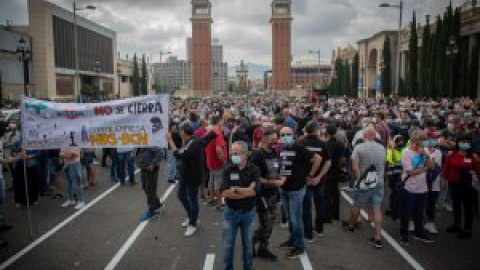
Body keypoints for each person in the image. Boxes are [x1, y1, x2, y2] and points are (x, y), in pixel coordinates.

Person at [278, 127, 322, 259]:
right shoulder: (283, 148)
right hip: (285, 188)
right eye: (283, 134)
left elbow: (318, 159)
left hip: (296, 189)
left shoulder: (298, 147)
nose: (285, 136)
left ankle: (299, 247)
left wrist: (310, 175)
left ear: (293, 135)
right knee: (291, 219)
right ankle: (293, 240)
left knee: (296, 219)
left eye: (288, 134)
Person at [166, 122, 216, 237]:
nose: (179, 132)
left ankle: (193, 224)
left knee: (192, 200)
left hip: (192, 176)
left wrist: (170, 140)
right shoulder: (194, 140)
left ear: (184, 133)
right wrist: (214, 131)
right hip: (185, 175)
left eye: (181, 131)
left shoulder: (193, 143)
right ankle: (191, 217)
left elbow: (179, 155)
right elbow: (208, 137)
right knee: (181, 195)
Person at [343, 127, 386, 249]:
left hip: (364, 182)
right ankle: (377, 236)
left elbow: (355, 167)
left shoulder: (359, 147)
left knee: (357, 204)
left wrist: (358, 180)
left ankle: (351, 225)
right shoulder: (382, 148)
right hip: (378, 181)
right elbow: (383, 164)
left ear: (365, 135)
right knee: (376, 207)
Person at [221, 141, 259, 270]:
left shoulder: (253, 169)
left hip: (249, 214)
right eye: (232, 152)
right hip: (230, 213)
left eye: (236, 153)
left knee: (248, 245)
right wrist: (246, 191)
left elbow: (255, 191)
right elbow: (224, 192)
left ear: (245, 154)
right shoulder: (228, 169)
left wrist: (235, 189)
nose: (232, 155)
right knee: (228, 245)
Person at [250, 128, 284, 261]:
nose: (276, 141)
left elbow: (277, 169)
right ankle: (251, 241)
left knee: (271, 221)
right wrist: (274, 182)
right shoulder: (257, 155)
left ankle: (263, 249)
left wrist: (280, 178)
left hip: (273, 194)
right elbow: (255, 177)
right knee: (267, 223)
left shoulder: (274, 152)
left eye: (277, 138)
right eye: (274, 139)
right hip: (262, 195)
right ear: (264, 139)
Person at [399, 129, 435, 245]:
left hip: (422, 188)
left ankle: (419, 233)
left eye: (425, 139)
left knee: (419, 213)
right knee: (406, 212)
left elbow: (433, 167)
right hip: (409, 188)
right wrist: (425, 168)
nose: (425, 141)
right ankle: (403, 235)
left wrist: (426, 155)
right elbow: (410, 172)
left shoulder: (424, 151)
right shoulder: (406, 152)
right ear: (416, 140)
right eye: (423, 139)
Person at [443, 134, 479, 239]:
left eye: (467, 142)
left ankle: (468, 229)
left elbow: (478, 170)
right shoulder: (452, 155)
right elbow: (447, 167)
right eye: (462, 142)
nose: (465, 144)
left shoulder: (473, 156)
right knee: (456, 204)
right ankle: (457, 224)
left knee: (468, 207)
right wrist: (445, 179)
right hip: (454, 183)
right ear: (458, 143)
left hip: (468, 184)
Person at [299, 121, 331, 241]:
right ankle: (319, 229)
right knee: (319, 205)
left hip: (305, 180)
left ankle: (308, 234)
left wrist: (308, 176)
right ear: (316, 130)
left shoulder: (300, 142)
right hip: (319, 180)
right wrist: (319, 176)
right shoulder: (322, 144)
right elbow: (328, 162)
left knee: (306, 207)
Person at [135, 146, 164, 221]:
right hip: (144, 168)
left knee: (150, 190)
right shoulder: (141, 141)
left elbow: (161, 153)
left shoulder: (151, 142)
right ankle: (157, 205)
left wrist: (152, 164)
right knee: (145, 188)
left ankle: (152, 212)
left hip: (150, 170)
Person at [205, 115, 228, 210]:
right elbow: (219, 150)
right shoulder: (217, 134)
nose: (223, 123)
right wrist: (224, 161)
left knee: (211, 181)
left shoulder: (209, 132)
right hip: (217, 162)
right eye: (222, 121)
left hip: (210, 160)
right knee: (218, 183)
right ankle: (219, 203)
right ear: (219, 122)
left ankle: (211, 199)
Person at [324, 124, 345, 222]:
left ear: (327, 132)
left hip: (327, 171)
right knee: (335, 192)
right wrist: (341, 169)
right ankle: (335, 214)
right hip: (336, 170)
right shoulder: (340, 144)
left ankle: (327, 216)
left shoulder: (325, 144)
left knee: (327, 194)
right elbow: (342, 160)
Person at [385, 135, 405, 221]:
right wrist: (392, 148)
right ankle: (394, 210)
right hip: (392, 176)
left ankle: (396, 211)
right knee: (394, 193)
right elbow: (392, 159)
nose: (401, 143)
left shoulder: (404, 150)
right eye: (398, 141)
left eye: (401, 141)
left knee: (397, 194)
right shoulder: (390, 151)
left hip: (400, 175)